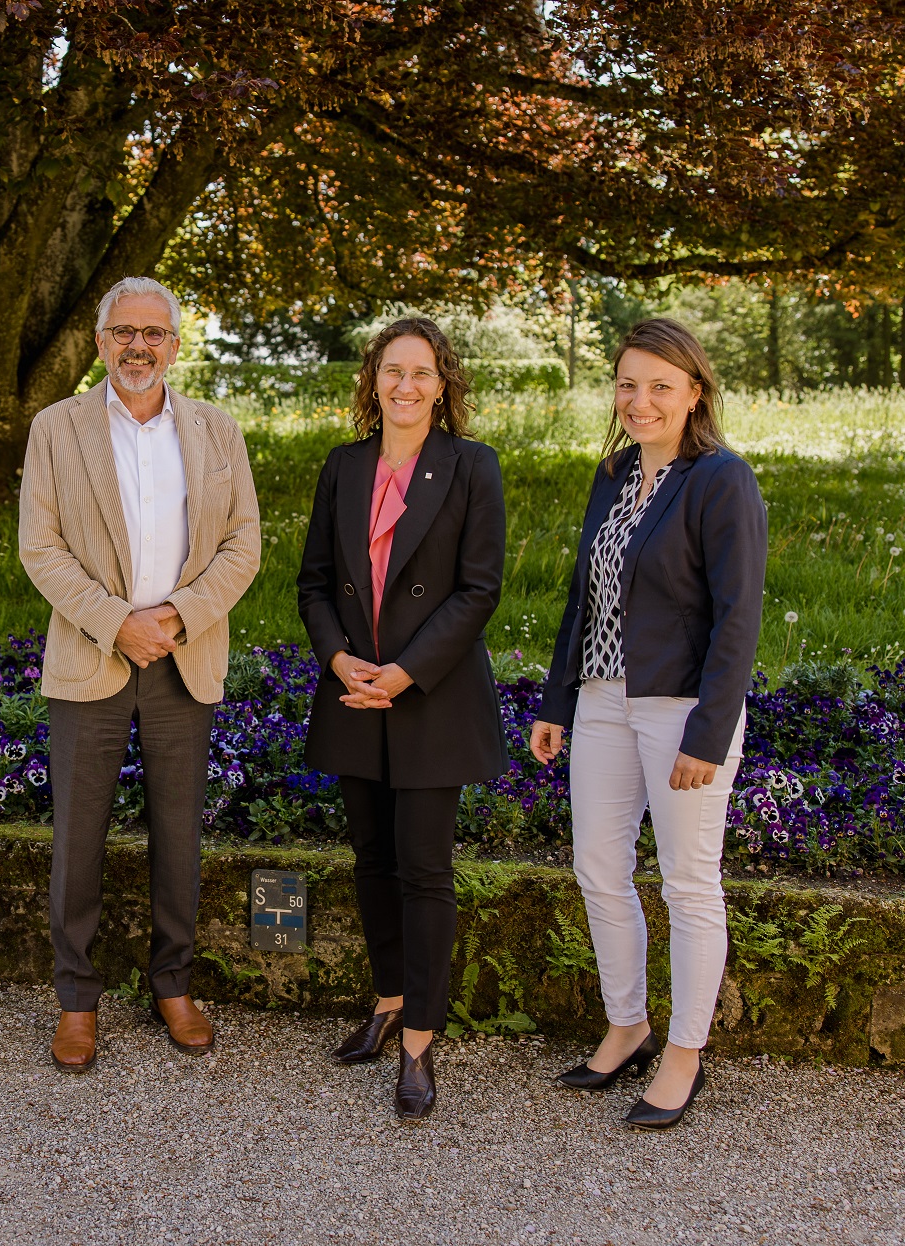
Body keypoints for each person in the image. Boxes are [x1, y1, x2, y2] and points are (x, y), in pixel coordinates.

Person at [17, 276, 262, 1073]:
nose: (138, 347)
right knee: (77, 839)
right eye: (123, 332)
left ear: (176, 346)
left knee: (179, 836)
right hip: (93, 656)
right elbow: (39, 547)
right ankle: (77, 999)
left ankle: (173, 983)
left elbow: (243, 545)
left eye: (154, 334)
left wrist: (178, 616)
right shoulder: (57, 428)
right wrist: (116, 620)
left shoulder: (217, 430)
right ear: (100, 343)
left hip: (182, 658)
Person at [528, 317, 766, 1130]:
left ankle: (683, 1054)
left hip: (680, 709)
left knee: (689, 884)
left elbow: (738, 618)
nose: (640, 400)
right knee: (598, 866)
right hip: (600, 700)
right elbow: (581, 596)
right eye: (628, 384)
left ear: (694, 391)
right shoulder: (615, 472)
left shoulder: (721, 480)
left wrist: (709, 731)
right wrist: (559, 700)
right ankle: (627, 1023)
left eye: (660, 385)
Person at [296, 317, 507, 1120]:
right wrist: (340, 660)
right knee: (371, 860)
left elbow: (478, 589)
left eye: (422, 372)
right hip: (354, 694)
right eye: (393, 371)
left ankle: (420, 1039)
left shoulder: (471, 467)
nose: (406, 386)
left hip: (431, 698)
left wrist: (406, 672)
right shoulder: (344, 466)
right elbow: (315, 582)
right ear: (373, 380)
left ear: (443, 382)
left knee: (424, 869)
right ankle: (387, 1000)